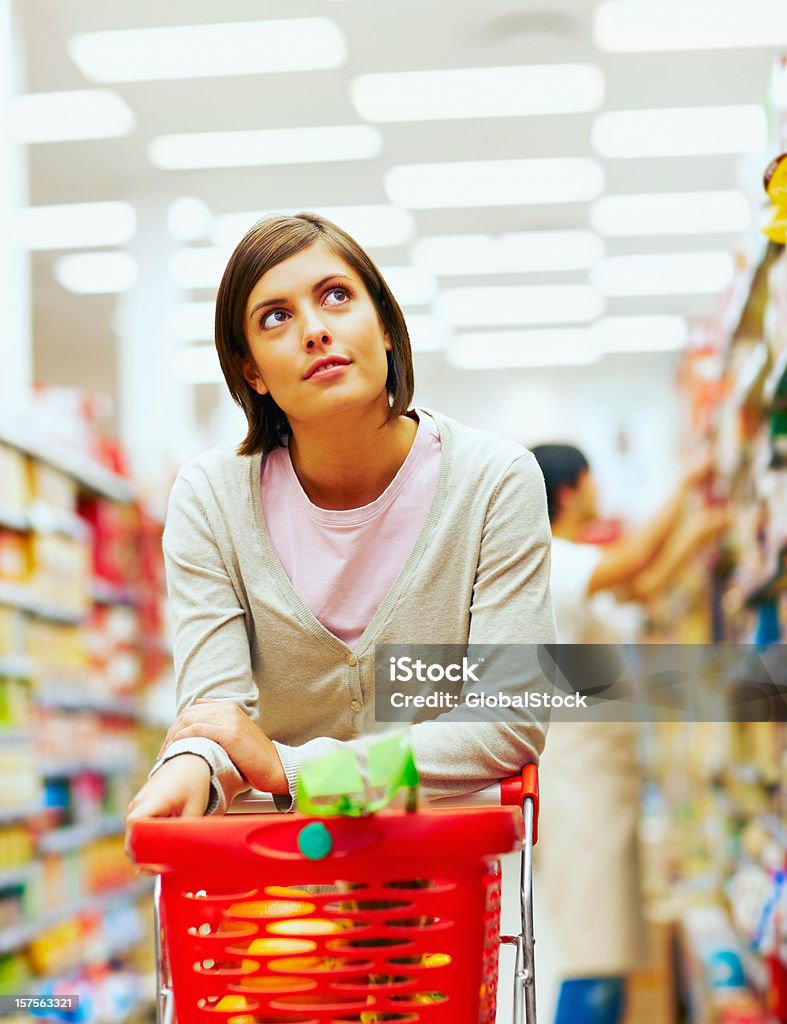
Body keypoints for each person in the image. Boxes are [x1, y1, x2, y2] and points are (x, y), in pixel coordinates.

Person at [125, 212, 555, 828]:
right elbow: (217, 712)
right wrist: (191, 759)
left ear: (383, 326)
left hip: (445, 879)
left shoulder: (493, 481)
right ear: (251, 371)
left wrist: (295, 771)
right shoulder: (211, 500)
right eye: (276, 316)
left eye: (336, 296)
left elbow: (506, 721)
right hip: (280, 893)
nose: (315, 330)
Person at [529, 443, 727, 1024]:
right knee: (592, 946)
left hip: (601, 780)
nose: (600, 494)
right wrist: (689, 481)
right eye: (594, 482)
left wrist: (698, 532)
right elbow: (634, 564)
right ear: (573, 488)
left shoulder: (574, 564)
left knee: (607, 943)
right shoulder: (550, 557)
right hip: (578, 784)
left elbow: (643, 585)